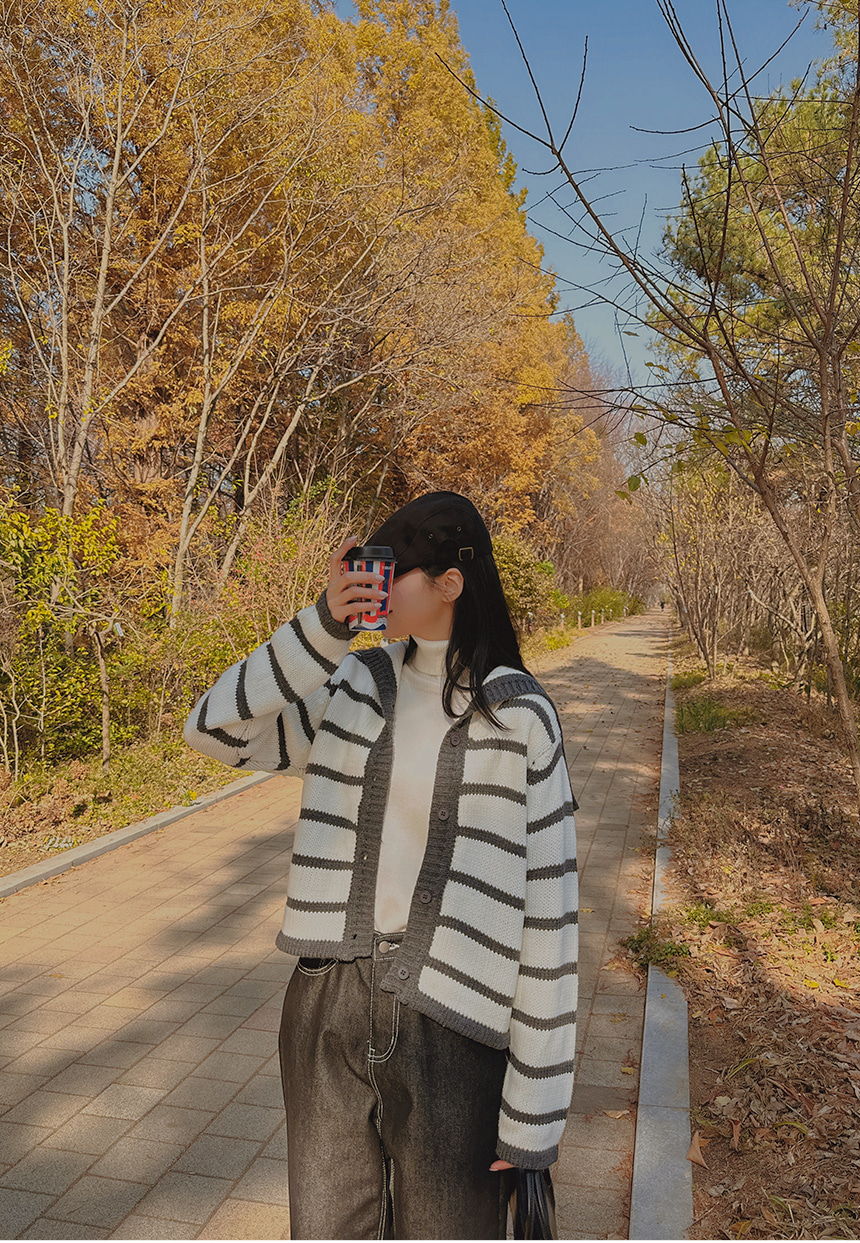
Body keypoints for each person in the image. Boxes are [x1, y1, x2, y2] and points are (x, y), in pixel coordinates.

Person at [184, 492, 578, 1240]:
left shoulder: (522, 719)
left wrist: (533, 1114)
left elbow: (550, 917)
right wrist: (321, 628)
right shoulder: (355, 684)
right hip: (327, 1001)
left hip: (455, 1023)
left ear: (451, 583)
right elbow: (212, 728)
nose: (374, 588)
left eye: (391, 573)